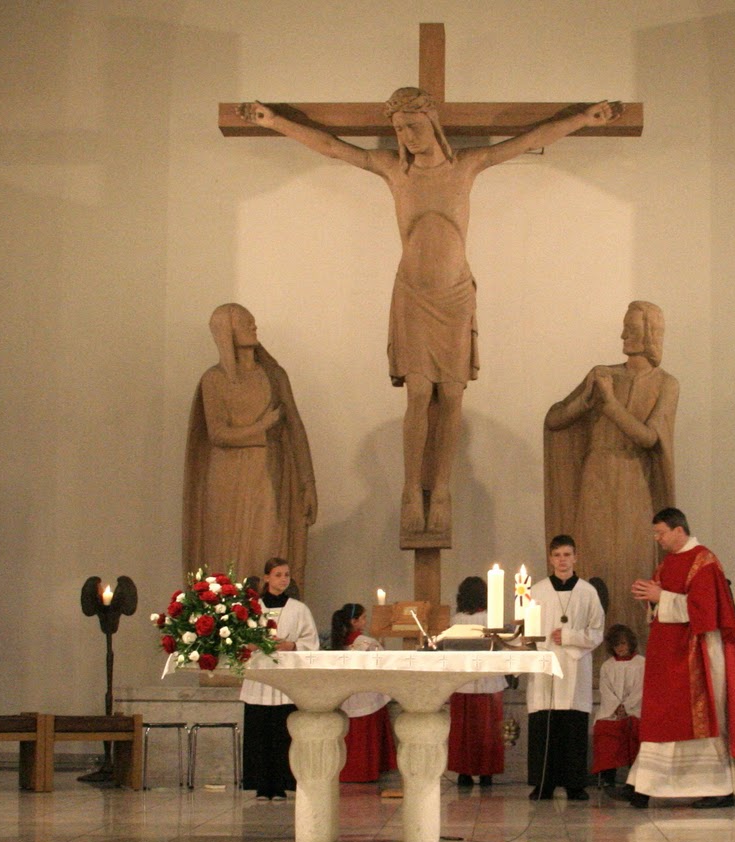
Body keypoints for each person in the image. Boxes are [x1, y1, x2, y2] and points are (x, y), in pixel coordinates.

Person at [240, 92, 621, 541]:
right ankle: (409, 490)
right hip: (414, 296)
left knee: (453, 396)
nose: (406, 136)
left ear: (432, 122)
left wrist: (583, 118)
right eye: (399, 129)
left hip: (455, 297)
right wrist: (274, 121)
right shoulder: (393, 170)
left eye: (413, 126)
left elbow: (528, 140)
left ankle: (440, 489)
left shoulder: (466, 166)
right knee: (419, 393)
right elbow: (333, 147)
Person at [543, 301, 678, 642]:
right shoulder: (602, 374)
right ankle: (587, 647)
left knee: (633, 566)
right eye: (624, 327)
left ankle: (633, 651)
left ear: (649, 335)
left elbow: (649, 437)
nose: (623, 335)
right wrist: (587, 401)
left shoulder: (665, 383)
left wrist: (610, 405)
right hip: (597, 478)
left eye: (631, 329)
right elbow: (555, 420)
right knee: (593, 564)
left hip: (635, 481)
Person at [183, 304, 317, 583]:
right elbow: (218, 434)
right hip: (225, 475)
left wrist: (308, 483)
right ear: (226, 331)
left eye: (253, 322)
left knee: (265, 545)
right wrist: (263, 425)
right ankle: (226, 618)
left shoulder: (274, 375)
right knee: (225, 551)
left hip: (266, 471)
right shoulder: (214, 380)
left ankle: (264, 617)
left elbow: (296, 428)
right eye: (245, 323)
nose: (253, 326)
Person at [627, 508, 735, 809]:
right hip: (668, 655)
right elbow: (661, 604)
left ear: (678, 530)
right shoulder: (669, 562)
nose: (658, 539)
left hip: (698, 654)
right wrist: (650, 599)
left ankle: (719, 788)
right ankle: (646, 785)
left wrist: (660, 598)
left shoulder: (704, 561)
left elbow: (705, 612)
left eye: (660, 533)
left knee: (701, 718)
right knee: (662, 716)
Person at [525, 535, 605, 800]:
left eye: (567, 555)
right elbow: (526, 627)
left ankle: (574, 784)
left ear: (575, 557)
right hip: (545, 665)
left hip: (574, 665)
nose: (562, 560)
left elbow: (597, 631)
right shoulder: (536, 591)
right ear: (550, 558)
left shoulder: (587, 592)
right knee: (543, 725)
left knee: (572, 726)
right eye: (557, 555)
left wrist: (569, 636)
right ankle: (543, 783)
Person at [239, 558, 319, 800]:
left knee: (283, 732)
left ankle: (284, 783)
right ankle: (262, 784)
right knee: (259, 732)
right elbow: (239, 638)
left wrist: (292, 644)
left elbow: (311, 641)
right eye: (277, 575)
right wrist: (252, 643)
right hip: (259, 676)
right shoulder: (252, 607)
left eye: (286, 575)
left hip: (286, 677)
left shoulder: (298, 609)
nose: (283, 579)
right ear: (266, 578)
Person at [447, 576, 505, 787]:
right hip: (488, 682)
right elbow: (500, 645)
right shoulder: (491, 618)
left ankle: (464, 773)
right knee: (487, 729)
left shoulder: (456, 619)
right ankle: (486, 773)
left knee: (463, 730)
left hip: (462, 682)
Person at [329, 603, 396, 783]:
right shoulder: (367, 643)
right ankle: (367, 772)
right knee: (365, 739)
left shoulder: (337, 643)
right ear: (354, 621)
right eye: (363, 617)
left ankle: (347, 772)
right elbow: (383, 664)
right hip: (366, 696)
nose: (366, 621)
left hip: (346, 697)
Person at [592, 624, 644, 794]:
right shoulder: (607, 665)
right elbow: (605, 689)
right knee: (604, 729)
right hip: (612, 712)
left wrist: (627, 707)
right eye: (616, 645)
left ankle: (635, 779)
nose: (620, 648)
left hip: (635, 710)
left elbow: (641, 689)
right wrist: (616, 707)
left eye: (623, 643)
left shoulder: (642, 663)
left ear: (630, 643)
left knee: (634, 730)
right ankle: (608, 777)